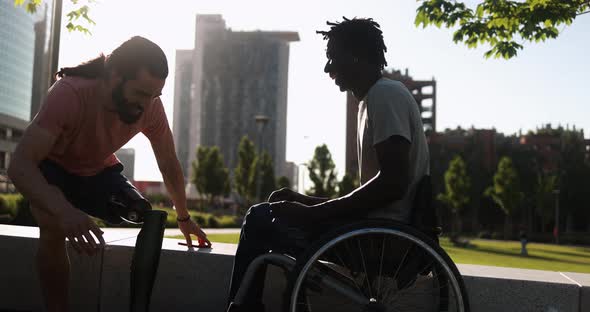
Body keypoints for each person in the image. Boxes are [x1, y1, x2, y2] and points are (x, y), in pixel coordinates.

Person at [226, 17, 430, 311]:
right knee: (271, 214)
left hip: (383, 240)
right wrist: (305, 201)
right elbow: (373, 195)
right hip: (375, 230)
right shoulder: (374, 99)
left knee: (260, 219)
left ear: (356, 56)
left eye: (333, 58)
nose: (327, 68)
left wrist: (311, 214)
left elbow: (392, 184)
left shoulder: (385, 95)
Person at [8, 36, 211, 312]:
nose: (146, 104)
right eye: (140, 93)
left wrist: (184, 217)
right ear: (114, 76)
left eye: (155, 96)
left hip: (97, 173)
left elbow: (168, 161)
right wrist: (64, 211)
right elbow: (20, 164)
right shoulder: (69, 93)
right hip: (52, 170)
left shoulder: (150, 107)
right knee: (53, 223)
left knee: (141, 210)